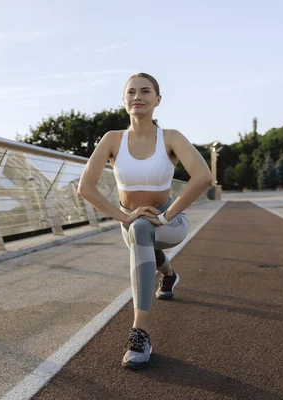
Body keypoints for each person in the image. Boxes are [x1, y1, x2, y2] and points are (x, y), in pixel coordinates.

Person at [77, 73, 212, 369]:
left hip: (170, 222)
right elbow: (85, 187)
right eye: (131, 92)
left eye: (145, 91)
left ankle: (140, 333)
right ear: (124, 101)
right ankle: (170, 275)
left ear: (157, 100)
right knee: (140, 236)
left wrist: (165, 216)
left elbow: (203, 176)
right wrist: (123, 216)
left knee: (143, 230)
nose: (137, 96)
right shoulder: (112, 140)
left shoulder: (171, 137)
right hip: (130, 223)